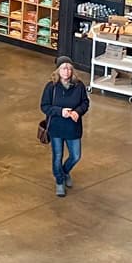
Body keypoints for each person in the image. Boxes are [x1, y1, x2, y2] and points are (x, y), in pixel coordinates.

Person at [40, 57, 89, 198]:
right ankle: (59, 181)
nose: (66, 71)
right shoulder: (51, 87)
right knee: (57, 156)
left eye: (69, 68)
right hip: (56, 128)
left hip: (73, 128)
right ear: (58, 70)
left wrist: (77, 112)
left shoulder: (79, 86)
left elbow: (85, 103)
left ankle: (64, 171)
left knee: (75, 156)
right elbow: (44, 106)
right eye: (63, 68)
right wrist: (60, 112)